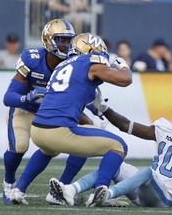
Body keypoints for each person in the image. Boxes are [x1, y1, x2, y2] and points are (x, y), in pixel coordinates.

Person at [48, 91, 172, 208]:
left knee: (147, 172)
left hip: (166, 197)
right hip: (143, 191)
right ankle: (70, 190)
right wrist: (105, 109)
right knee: (115, 163)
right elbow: (127, 126)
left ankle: (107, 194)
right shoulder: (166, 128)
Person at [10, 33, 132, 207]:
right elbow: (125, 79)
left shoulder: (62, 66)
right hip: (59, 130)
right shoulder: (90, 63)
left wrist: (93, 102)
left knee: (50, 149)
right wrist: (123, 65)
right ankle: (101, 190)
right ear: (91, 50)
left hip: (38, 129)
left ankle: (19, 189)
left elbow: (70, 96)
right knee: (119, 146)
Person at [2, 19, 93, 206]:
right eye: (61, 40)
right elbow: (8, 97)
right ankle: (9, 182)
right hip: (24, 110)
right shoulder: (32, 58)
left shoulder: (72, 63)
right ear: (47, 40)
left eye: (69, 40)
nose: (66, 45)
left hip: (48, 113)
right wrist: (28, 98)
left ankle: (53, 187)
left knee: (51, 148)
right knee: (19, 146)